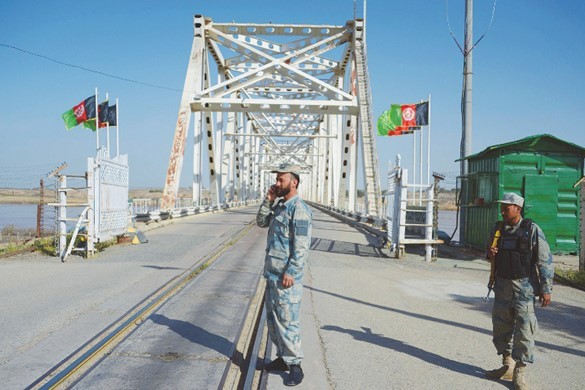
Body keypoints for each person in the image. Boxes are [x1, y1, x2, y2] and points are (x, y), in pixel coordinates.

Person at [485, 192, 554, 390]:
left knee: (525, 331)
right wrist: (490, 253)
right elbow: (489, 255)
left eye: (507, 207)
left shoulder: (531, 229)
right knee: (501, 328)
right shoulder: (498, 229)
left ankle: (520, 372)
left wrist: (546, 289)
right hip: (502, 288)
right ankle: (507, 365)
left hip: (524, 288)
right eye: (502, 206)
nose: (503, 210)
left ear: (518, 208)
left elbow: (545, 260)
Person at [256, 163, 312, 387]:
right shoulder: (280, 206)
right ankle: (282, 358)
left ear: (294, 182)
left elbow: (301, 247)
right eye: (277, 180)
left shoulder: (299, 209)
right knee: (274, 319)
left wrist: (291, 272)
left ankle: (296, 365)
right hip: (272, 274)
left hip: (286, 277)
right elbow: (261, 222)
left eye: (281, 180)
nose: (277, 183)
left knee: (288, 321)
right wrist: (268, 199)